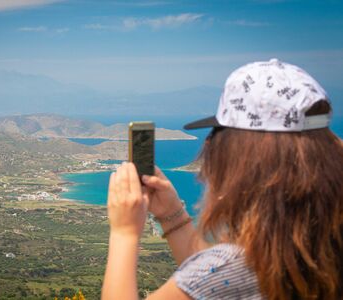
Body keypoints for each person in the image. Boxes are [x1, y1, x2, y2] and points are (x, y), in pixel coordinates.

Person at [101, 59, 343, 299]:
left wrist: (125, 232)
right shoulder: (323, 249)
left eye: (217, 137)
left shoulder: (238, 268)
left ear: (239, 162)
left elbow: (216, 280)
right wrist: (170, 213)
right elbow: (218, 284)